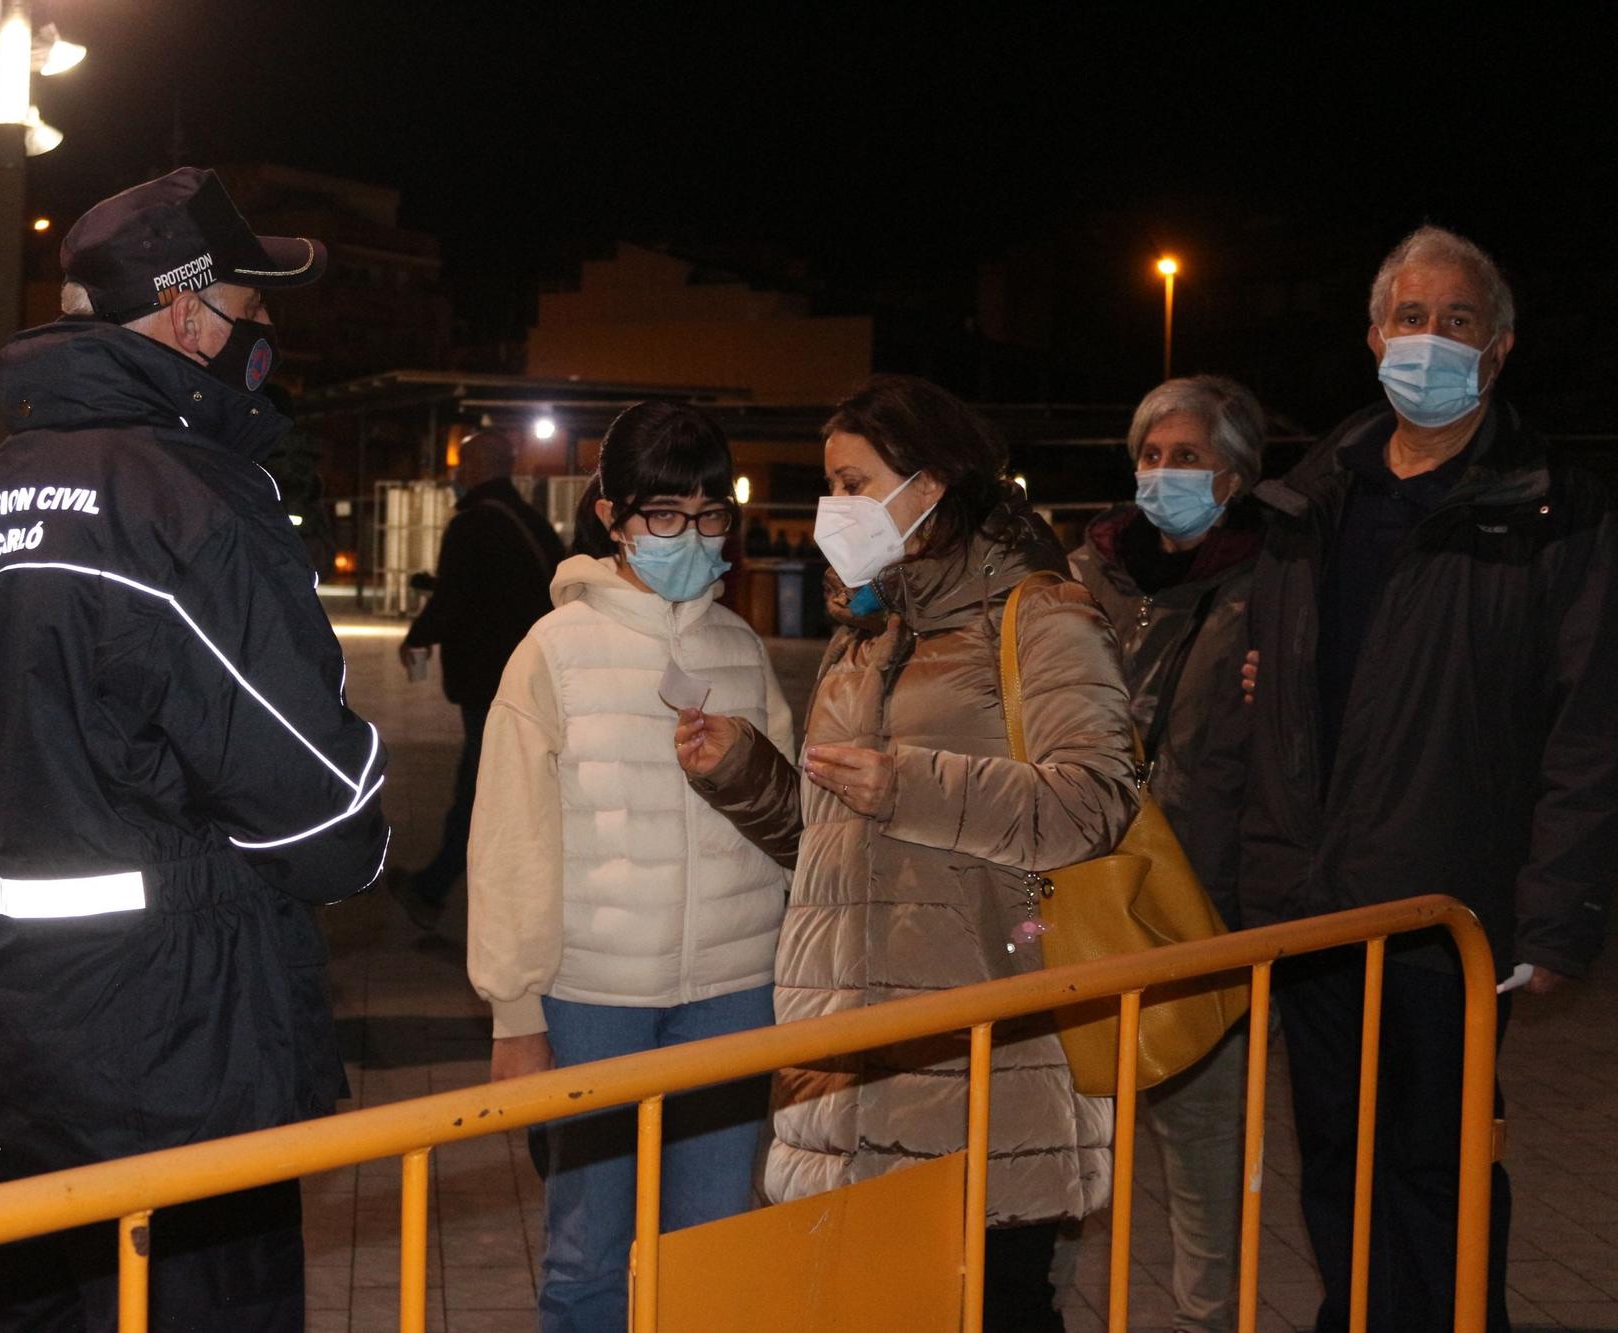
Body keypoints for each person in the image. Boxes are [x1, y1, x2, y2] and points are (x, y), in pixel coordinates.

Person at [0, 167, 389, 1332]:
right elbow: (324, 820)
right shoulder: (184, 503)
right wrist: (366, 792)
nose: (264, 337)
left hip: (13, 1022)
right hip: (179, 1039)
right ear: (187, 315)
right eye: (253, 309)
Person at [677, 374, 1136, 1330]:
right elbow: (830, 842)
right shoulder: (866, 633)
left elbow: (1097, 800)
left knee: (996, 1302)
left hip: (986, 1049)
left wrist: (909, 784)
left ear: (928, 487)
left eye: (853, 480)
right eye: (829, 482)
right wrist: (747, 774)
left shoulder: (1039, 615)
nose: (832, 506)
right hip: (846, 1050)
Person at [1240, 225, 1618, 1332]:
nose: (1429, 341)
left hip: (1445, 903)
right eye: (1409, 318)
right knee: (1334, 1170)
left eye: (1457, 323)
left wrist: (1556, 921)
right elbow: (1260, 704)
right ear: (1370, 336)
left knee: (1437, 1171)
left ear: (1497, 351)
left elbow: (1586, 731)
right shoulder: (1308, 503)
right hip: (1311, 909)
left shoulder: (1554, 509)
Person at [468, 401, 794, 1333]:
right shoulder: (552, 652)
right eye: (664, 514)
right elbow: (510, 847)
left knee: (711, 1241)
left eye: (708, 514)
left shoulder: (741, 648)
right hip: (593, 995)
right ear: (609, 515)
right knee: (588, 1249)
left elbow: (790, 825)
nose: (691, 536)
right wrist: (516, 1015)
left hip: (734, 986)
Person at [1068, 374, 1266, 1333]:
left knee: (1204, 1163)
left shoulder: (1276, 584)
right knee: (1067, 1154)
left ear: (1235, 475)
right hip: (1080, 899)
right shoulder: (1084, 573)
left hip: (1204, 908)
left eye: (1186, 456)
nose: (1162, 473)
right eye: (1150, 454)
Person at [386, 427, 565, 929]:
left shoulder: (474, 524)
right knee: (497, 787)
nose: (456, 475)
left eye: (462, 464)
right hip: (530, 677)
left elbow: (457, 599)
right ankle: (440, 885)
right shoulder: (529, 520)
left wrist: (417, 636)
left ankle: (435, 888)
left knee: (480, 790)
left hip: (493, 682)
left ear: (479, 466)